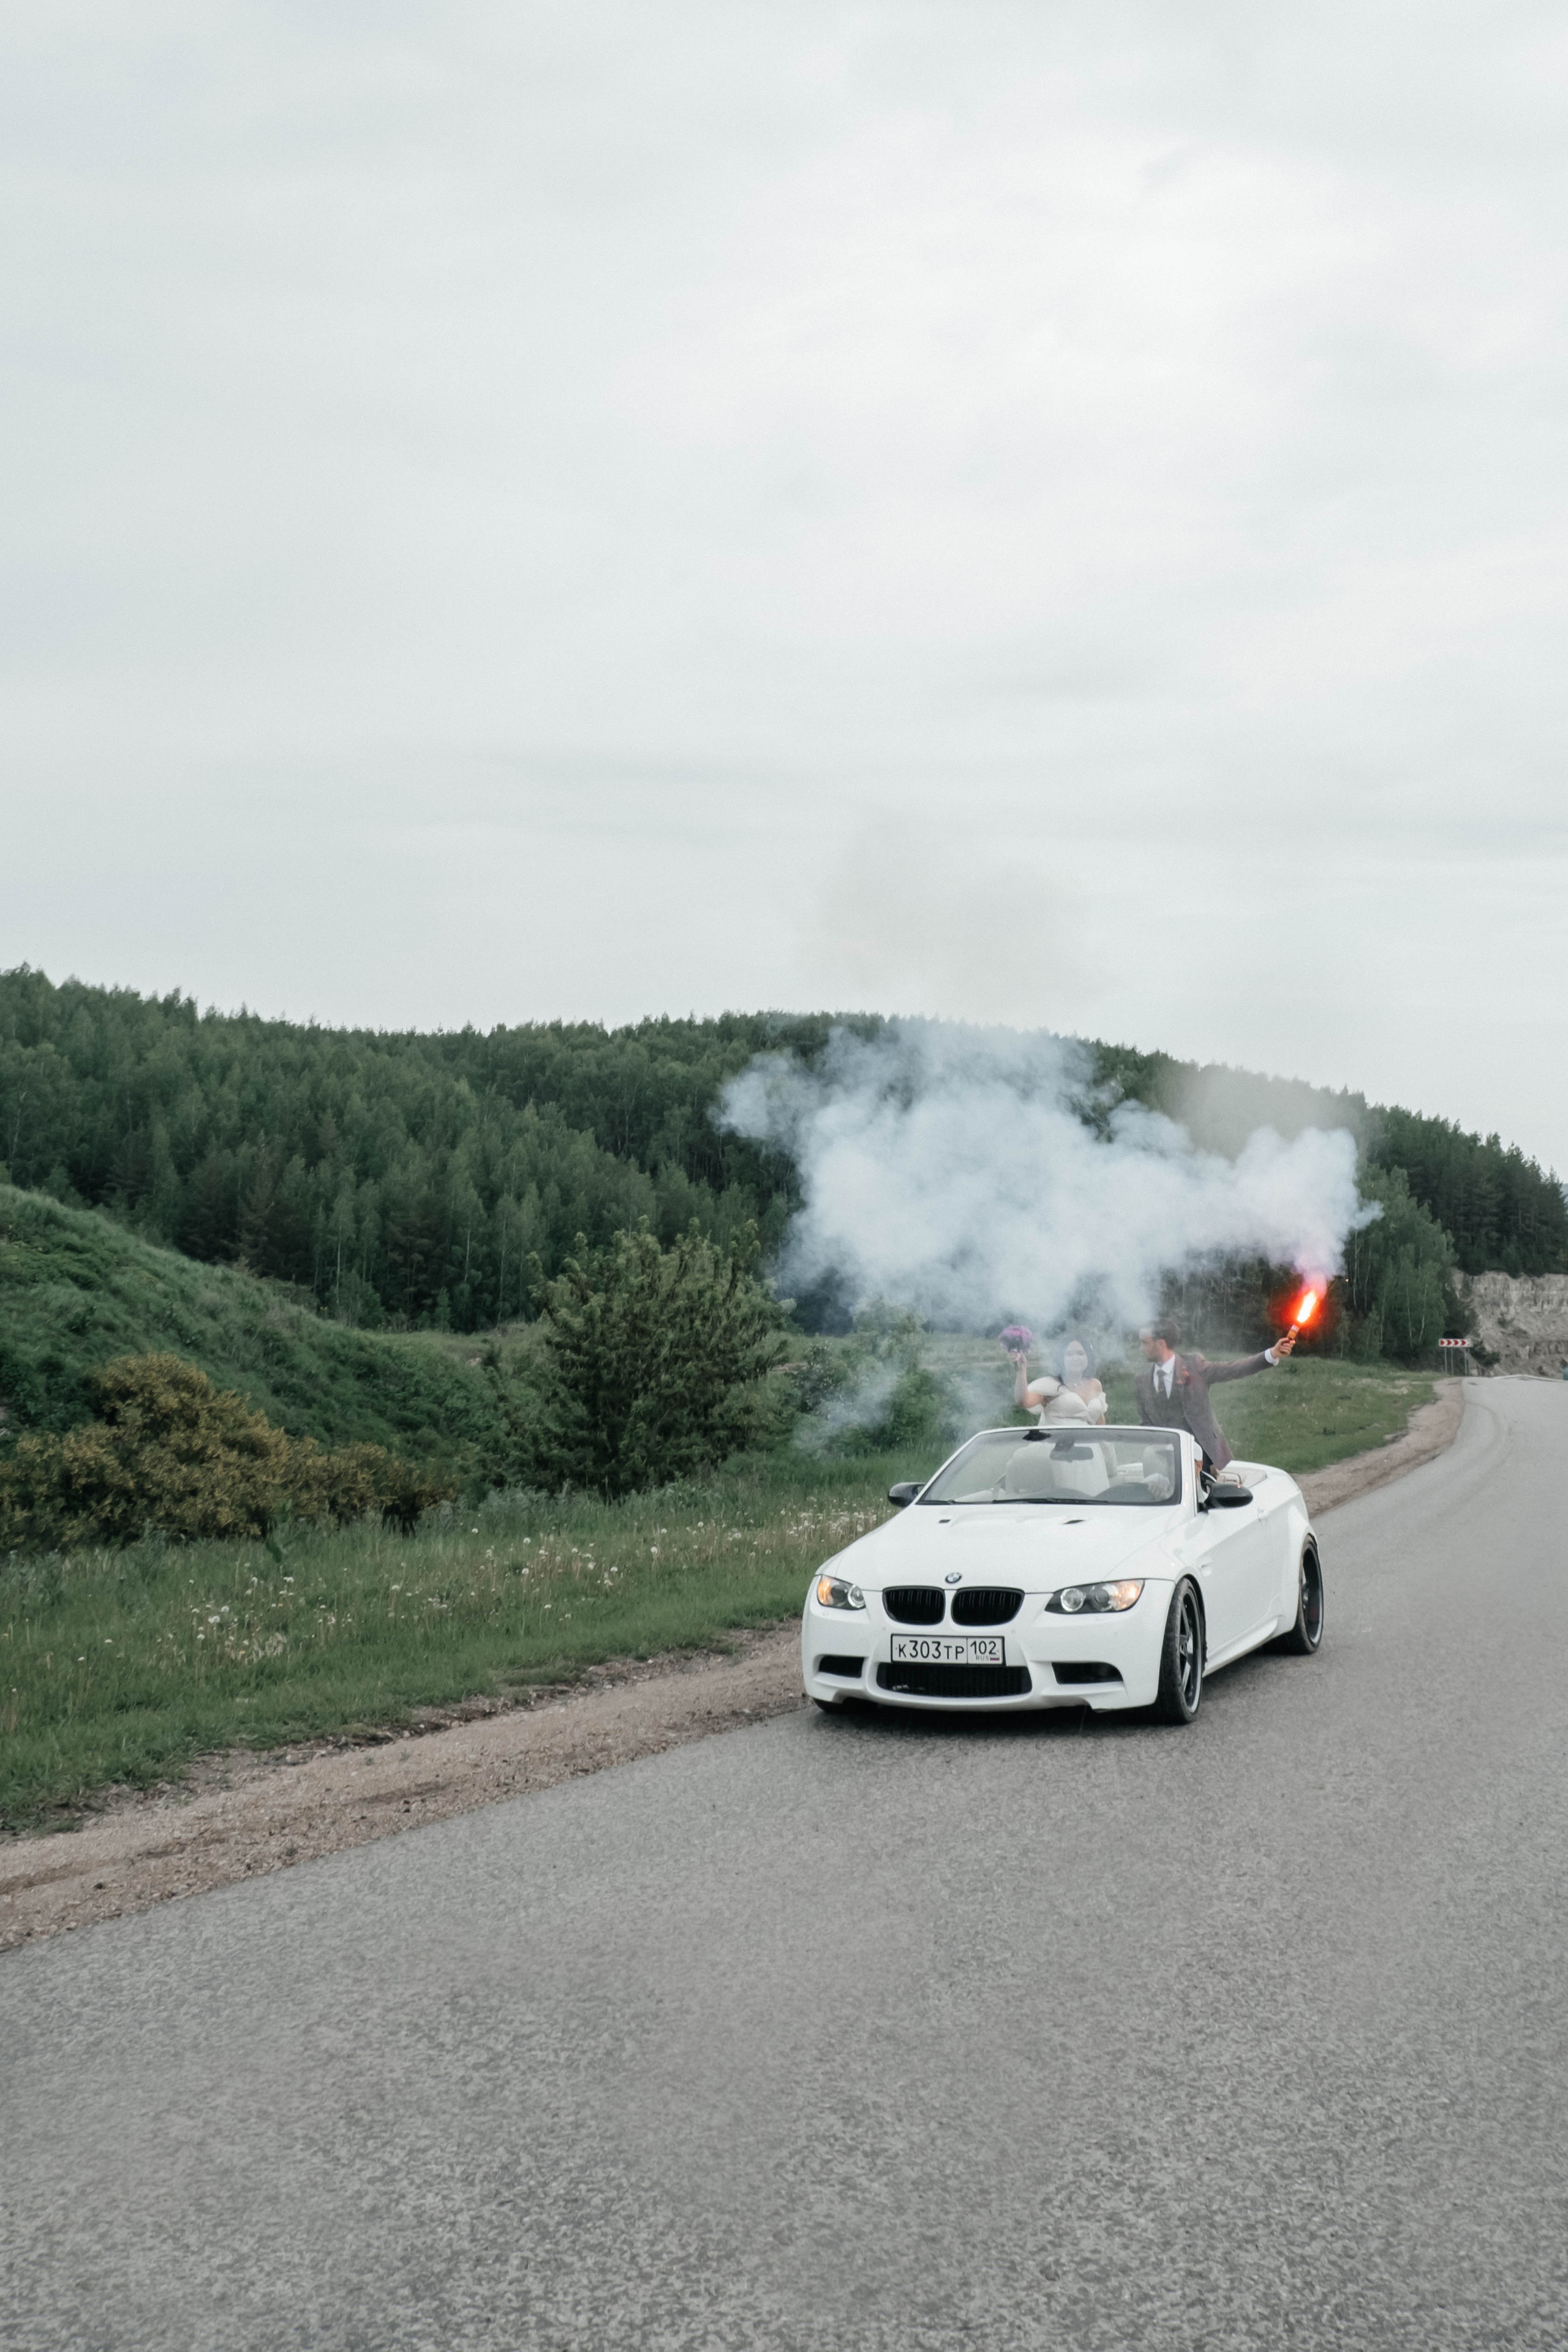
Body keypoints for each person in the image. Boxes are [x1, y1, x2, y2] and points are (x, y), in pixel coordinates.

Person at [1135, 1316, 1294, 1472]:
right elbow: (1147, 1424)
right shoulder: (1141, 1381)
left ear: (1161, 1343)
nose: (1141, 1348)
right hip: (1165, 1463)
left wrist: (1271, 1354)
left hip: (1204, 1457)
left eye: (1144, 1343)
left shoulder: (1193, 1366)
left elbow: (1233, 1369)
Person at [1009, 1333, 1108, 1427]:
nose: (1076, 1358)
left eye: (1081, 1353)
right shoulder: (1051, 1385)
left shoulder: (1095, 1384)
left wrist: (1107, 1444)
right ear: (1061, 1359)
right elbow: (1023, 1401)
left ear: (1088, 1357)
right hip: (1055, 1443)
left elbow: (1100, 1424)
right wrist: (1021, 1371)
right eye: (1069, 1354)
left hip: (1089, 1443)